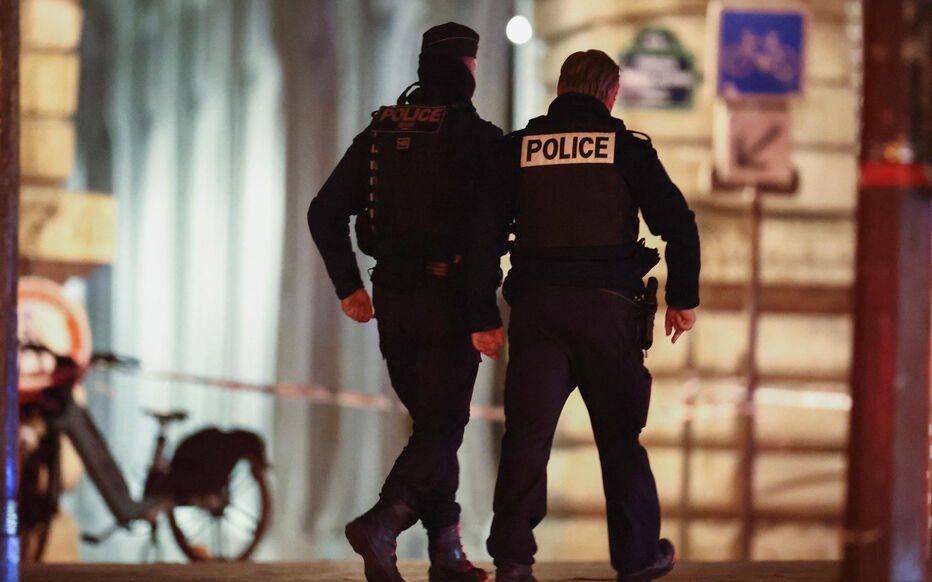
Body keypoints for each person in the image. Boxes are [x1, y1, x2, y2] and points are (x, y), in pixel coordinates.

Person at [471, 50, 701, 582]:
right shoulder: (627, 151)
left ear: (562, 87)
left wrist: (482, 313)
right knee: (620, 439)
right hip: (608, 314)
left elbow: (482, 238)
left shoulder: (519, 150)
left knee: (527, 437)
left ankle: (512, 559)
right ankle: (638, 557)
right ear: (611, 91)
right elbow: (679, 224)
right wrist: (682, 298)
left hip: (538, 313)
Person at [308, 22, 503, 582]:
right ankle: (383, 523)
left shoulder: (380, 132)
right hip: (451, 301)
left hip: (392, 300)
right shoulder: (480, 139)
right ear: (467, 68)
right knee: (442, 428)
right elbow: (489, 235)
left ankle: (446, 553)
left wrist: (350, 287)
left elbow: (324, 211)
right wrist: (483, 313)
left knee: (432, 427)